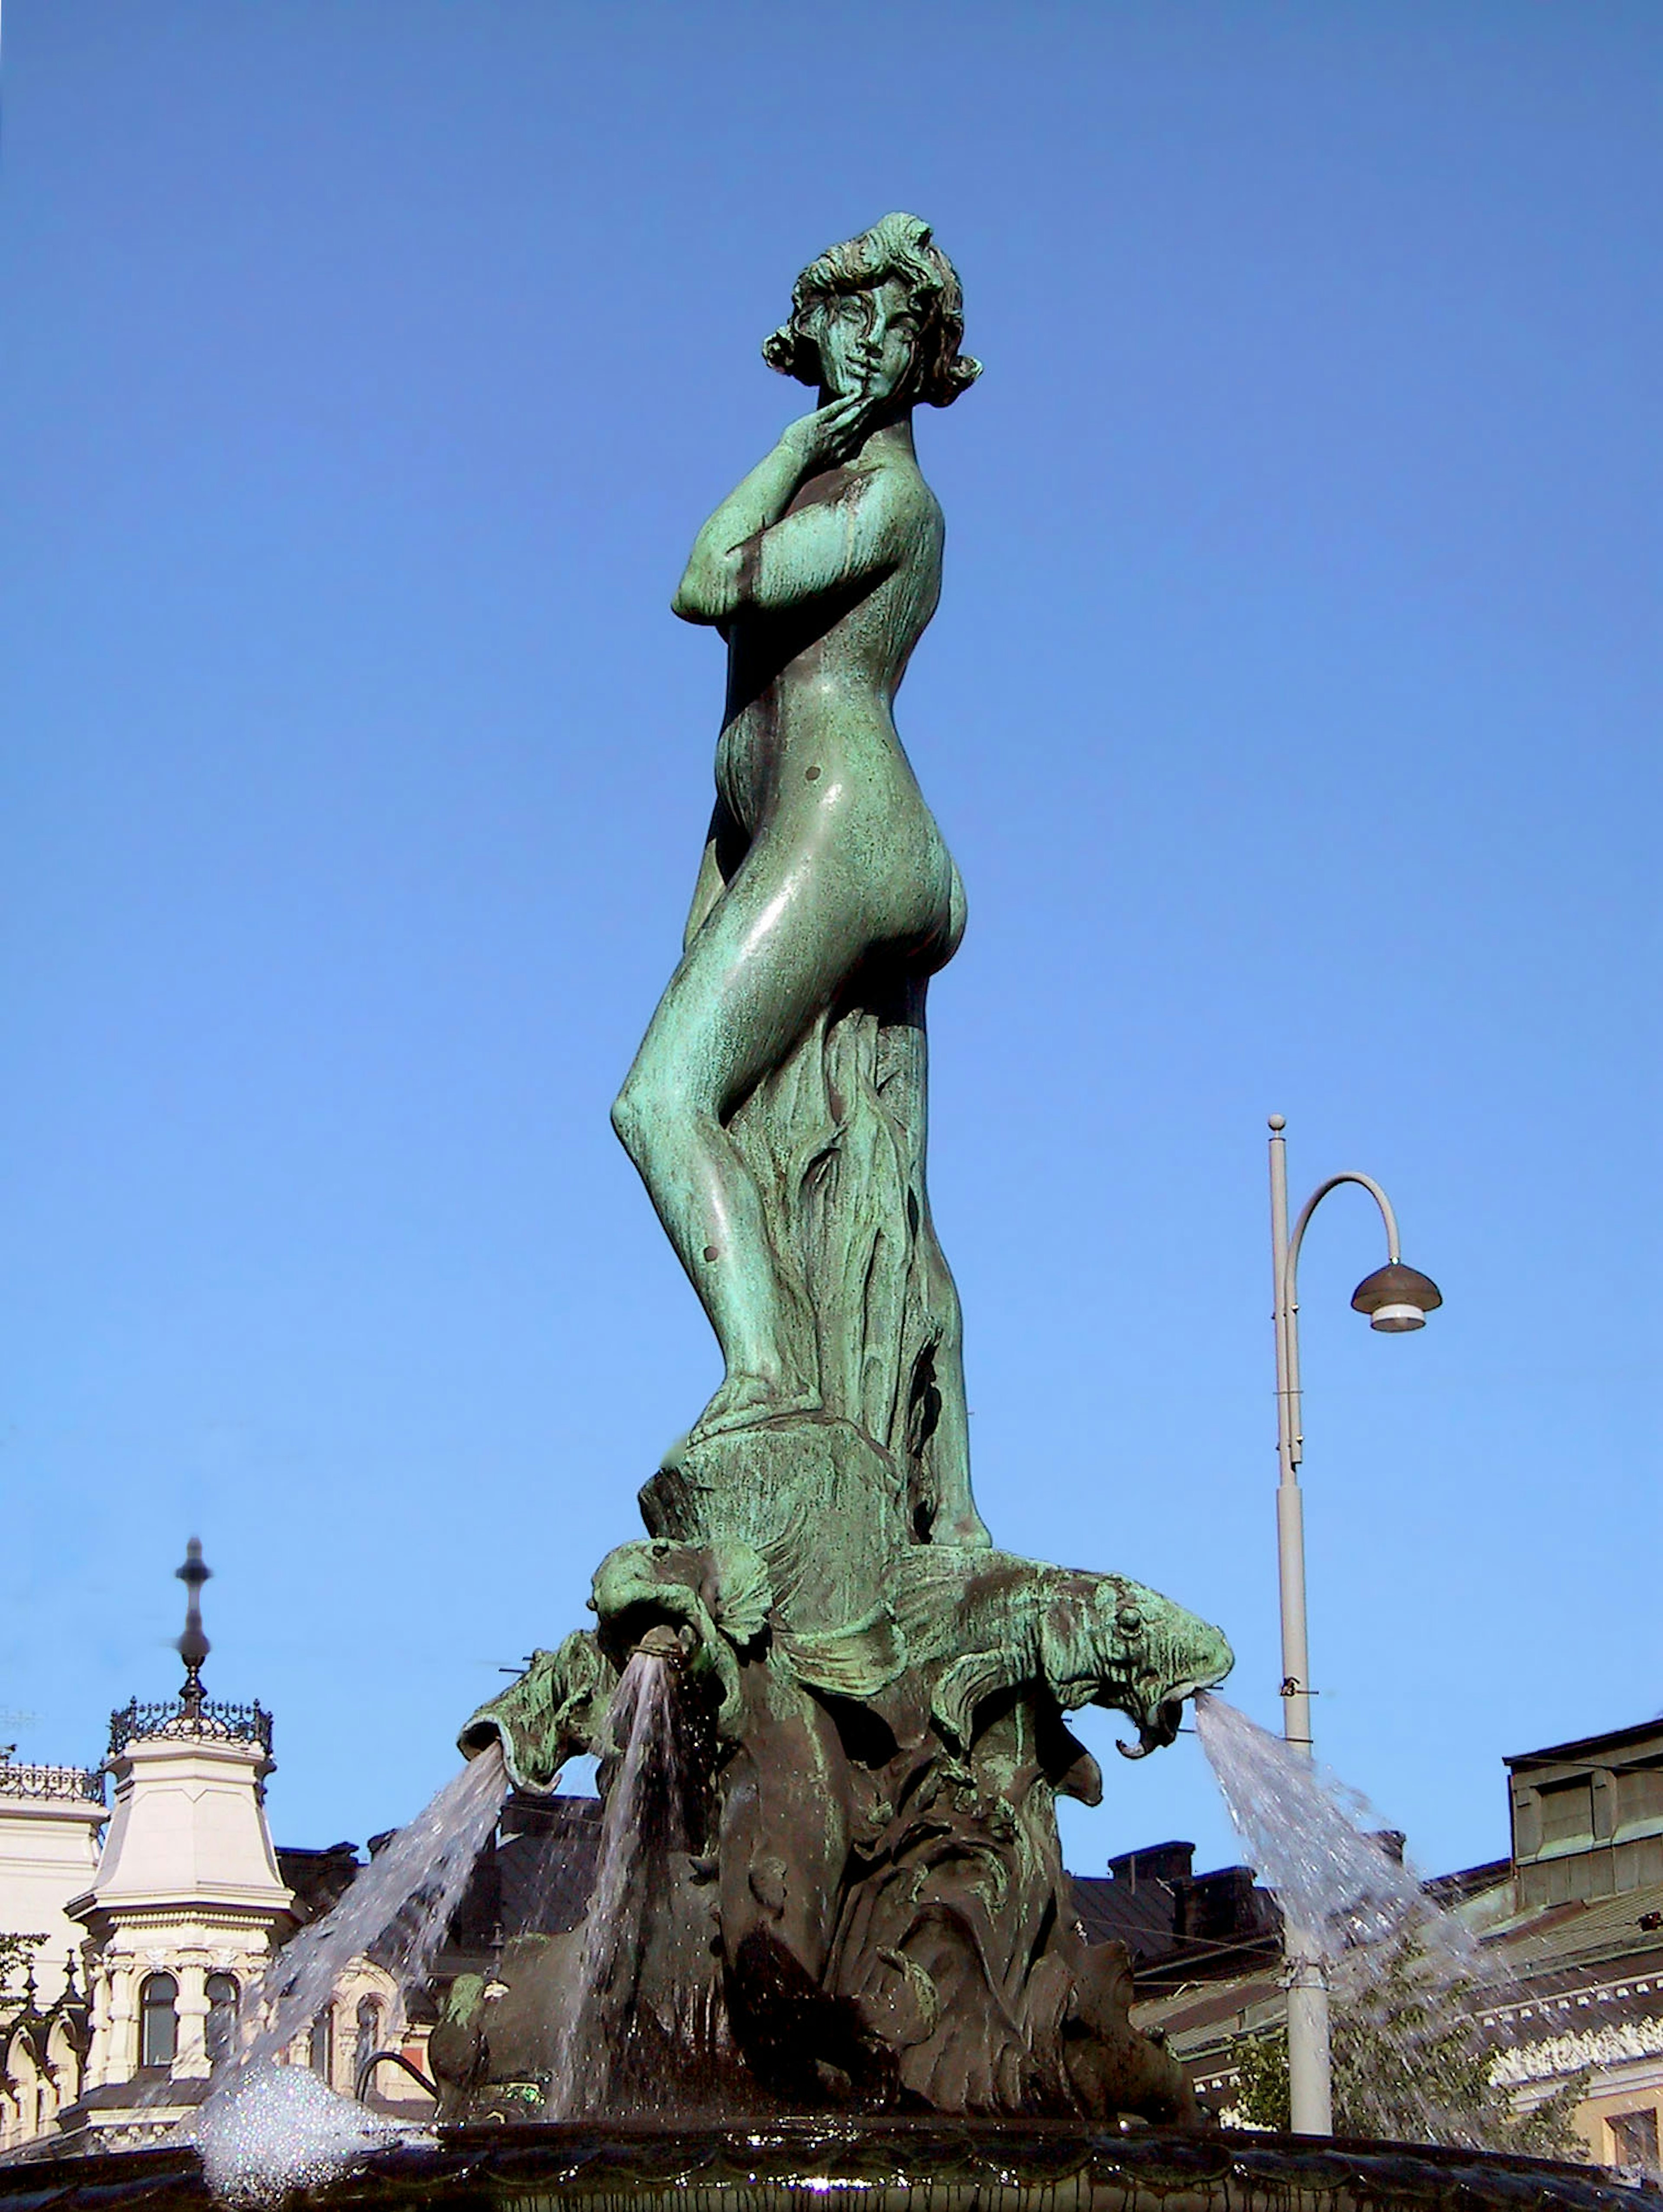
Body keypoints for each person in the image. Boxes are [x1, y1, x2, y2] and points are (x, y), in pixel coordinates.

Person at [612, 215, 983, 1520]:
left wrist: (783, 449)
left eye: (900, 325)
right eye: (848, 318)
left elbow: (705, 581)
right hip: (803, 832)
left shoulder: (889, 500)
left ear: (928, 354)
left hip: (853, 829)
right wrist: (703, 907)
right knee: (874, 1182)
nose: (870, 345)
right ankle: (949, 1498)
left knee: (661, 1101)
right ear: (810, 331)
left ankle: (765, 1377)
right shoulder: (836, 491)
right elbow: (738, 753)